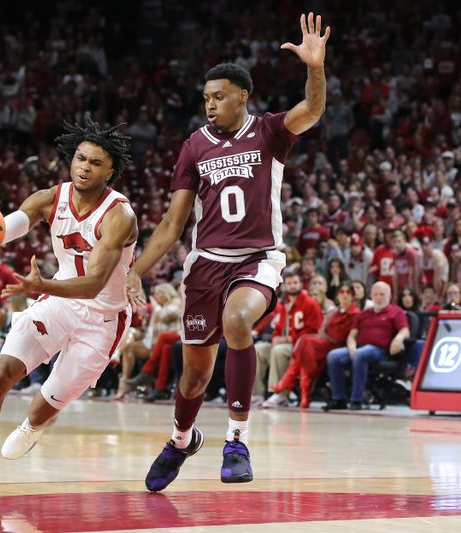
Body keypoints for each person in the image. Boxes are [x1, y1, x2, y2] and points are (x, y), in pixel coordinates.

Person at [125, 13, 330, 489]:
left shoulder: (271, 132)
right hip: (205, 266)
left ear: (243, 96)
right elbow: (174, 222)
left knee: (239, 321)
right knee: (193, 378)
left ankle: (236, 440)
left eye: (218, 96)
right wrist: (137, 270)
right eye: (205, 98)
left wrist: (314, 68)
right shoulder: (193, 147)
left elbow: (313, 110)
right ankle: (181, 440)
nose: (210, 104)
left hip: (258, 258)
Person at [0, 113, 137, 502]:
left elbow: (93, 284)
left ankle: (35, 423)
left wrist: (41, 284)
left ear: (111, 172)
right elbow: (4, 229)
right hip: (58, 302)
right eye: (80, 158)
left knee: (43, 408)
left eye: (95, 163)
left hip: (102, 320)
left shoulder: (119, 215)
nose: (84, 167)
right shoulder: (48, 198)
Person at [270, 280, 359, 408]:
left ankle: (288, 384)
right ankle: (303, 397)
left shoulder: (355, 313)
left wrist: (324, 336)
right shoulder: (336, 312)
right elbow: (323, 330)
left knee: (305, 342)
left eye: (348, 292)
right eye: (342, 292)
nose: (345, 294)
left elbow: (339, 336)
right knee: (305, 349)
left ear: (352, 295)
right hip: (322, 344)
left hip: (336, 346)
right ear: (338, 295)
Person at [324, 281, 410, 410]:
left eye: (382, 294)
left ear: (389, 296)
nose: (379, 297)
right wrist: (351, 346)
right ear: (371, 296)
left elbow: (405, 330)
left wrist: (398, 338)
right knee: (333, 356)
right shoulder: (364, 314)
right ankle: (339, 398)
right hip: (360, 347)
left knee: (361, 353)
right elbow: (352, 335)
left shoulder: (396, 312)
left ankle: (356, 399)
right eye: (376, 294)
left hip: (381, 350)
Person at [254, 272, 323, 408]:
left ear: (301, 284)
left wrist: (287, 339)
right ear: (285, 286)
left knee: (279, 351)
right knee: (258, 349)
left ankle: (279, 394)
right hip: (286, 345)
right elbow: (278, 328)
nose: (292, 286)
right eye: (289, 283)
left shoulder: (310, 304)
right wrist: (276, 338)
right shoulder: (284, 305)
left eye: (295, 283)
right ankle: (257, 394)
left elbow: (315, 332)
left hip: (301, 348)